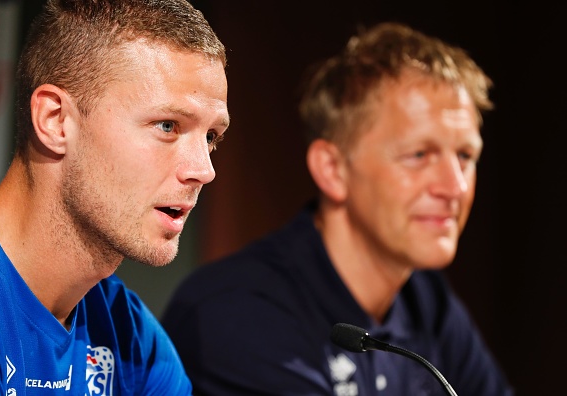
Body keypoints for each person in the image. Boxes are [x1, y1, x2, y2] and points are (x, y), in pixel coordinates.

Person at [161, 22, 513, 395]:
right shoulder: (234, 313)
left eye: (465, 155)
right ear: (333, 169)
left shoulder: (428, 301)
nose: (455, 186)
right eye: (420, 155)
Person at [0, 0, 229, 394]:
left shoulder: (132, 338)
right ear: (55, 121)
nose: (204, 170)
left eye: (210, 137)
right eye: (167, 125)